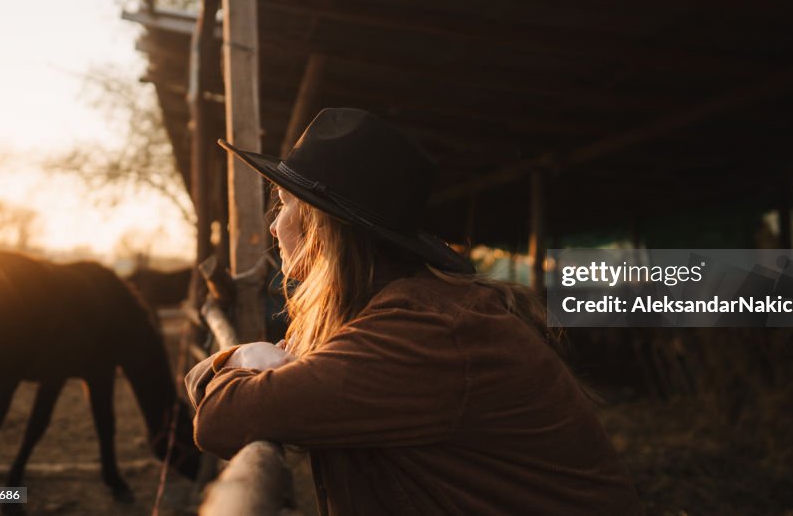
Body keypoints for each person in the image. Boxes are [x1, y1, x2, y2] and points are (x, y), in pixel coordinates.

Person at [185, 107, 642, 515]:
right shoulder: (402, 315)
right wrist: (251, 360)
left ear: (321, 229)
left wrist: (243, 359)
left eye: (283, 204)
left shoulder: (424, 332)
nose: (273, 224)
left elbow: (220, 418)